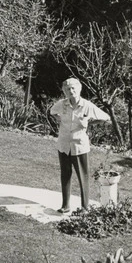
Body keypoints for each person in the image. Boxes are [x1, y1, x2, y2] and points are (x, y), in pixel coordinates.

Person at [49, 78, 110, 213]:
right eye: (67, 89)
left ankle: (84, 208)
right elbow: (52, 112)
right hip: (64, 145)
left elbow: (106, 117)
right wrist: (59, 120)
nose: (71, 91)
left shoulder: (87, 105)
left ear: (79, 89)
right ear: (64, 92)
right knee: (65, 174)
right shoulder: (62, 104)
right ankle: (65, 206)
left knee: (83, 176)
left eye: (73, 88)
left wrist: (89, 123)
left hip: (80, 145)